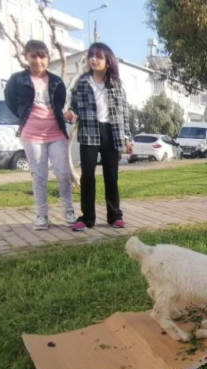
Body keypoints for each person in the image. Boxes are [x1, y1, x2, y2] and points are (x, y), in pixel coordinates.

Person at [4, 40, 76, 230]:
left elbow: (59, 105)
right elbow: (11, 103)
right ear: (26, 57)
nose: (38, 60)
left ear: (48, 58)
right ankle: (42, 215)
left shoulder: (57, 81)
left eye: (42, 55)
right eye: (33, 55)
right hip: (31, 135)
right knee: (39, 176)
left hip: (56, 133)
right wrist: (24, 117)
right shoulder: (17, 80)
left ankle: (69, 211)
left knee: (63, 174)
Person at [64, 42, 132, 232]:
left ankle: (115, 216)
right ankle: (87, 218)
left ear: (108, 61)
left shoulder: (116, 84)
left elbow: (123, 112)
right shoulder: (83, 82)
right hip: (89, 133)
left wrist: (126, 137)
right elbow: (74, 107)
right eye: (91, 55)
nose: (93, 59)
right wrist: (70, 114)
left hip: (111, 132)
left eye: (99, 56)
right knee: (88, 178)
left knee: (111, 176)